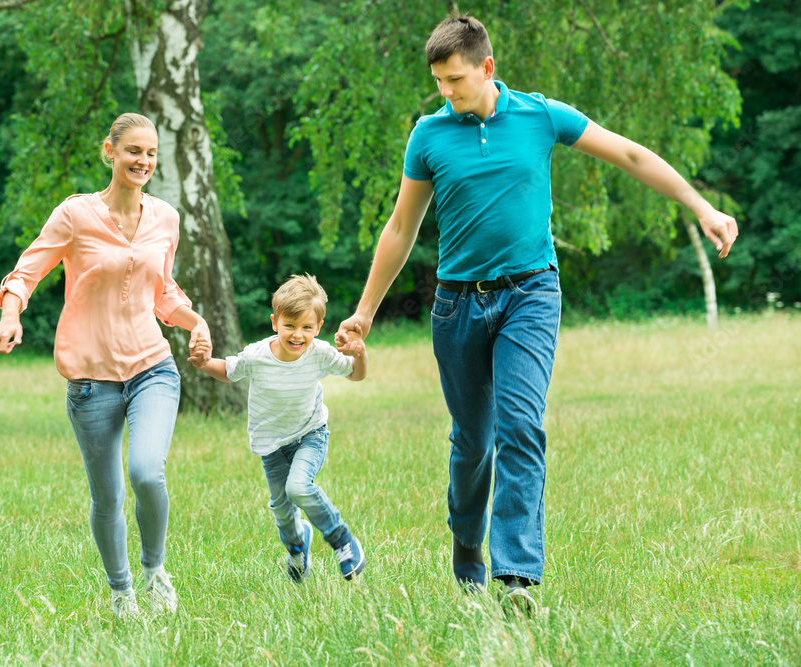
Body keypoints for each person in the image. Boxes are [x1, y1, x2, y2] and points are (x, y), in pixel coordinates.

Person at [335, 16, 738, 614]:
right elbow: (401, 227)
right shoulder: (429, 134)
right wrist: (365, 313)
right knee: (472, 443)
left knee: (520, 425)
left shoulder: (540, 115)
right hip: (456, 303)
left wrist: (700, 205)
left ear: (487, 68)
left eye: (457, 80)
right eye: (439, 82)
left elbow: (627, 152)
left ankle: (516, 576)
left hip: (530, 294)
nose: (448, 92)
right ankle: (467, 545)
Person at [0, 112, 213, 619]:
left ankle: (155, 571)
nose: (144, 161)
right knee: (107, 497)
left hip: (152, 367)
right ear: (109, 152)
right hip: (90, 382)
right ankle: (121, 591)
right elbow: (26, 272)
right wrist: (10, 315)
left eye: (152, 153)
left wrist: (194, 321)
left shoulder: (165, 219)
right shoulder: (75, 215)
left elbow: (164, 293)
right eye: (134, 151)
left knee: (146, 473)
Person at [191, 274, 370, 581]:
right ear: (275, 322)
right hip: (271, 445)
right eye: (290, 325)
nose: (297, 334)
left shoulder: (321, 353)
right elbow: (229, 370)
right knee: (283, 511)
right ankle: (297, 548)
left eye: (306, 328)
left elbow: (355, 374)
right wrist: (205, 363)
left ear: (319, 327)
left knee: (298, 487)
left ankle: (342, 540)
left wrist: (360, 354)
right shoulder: (258, 355)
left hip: (310, 435)